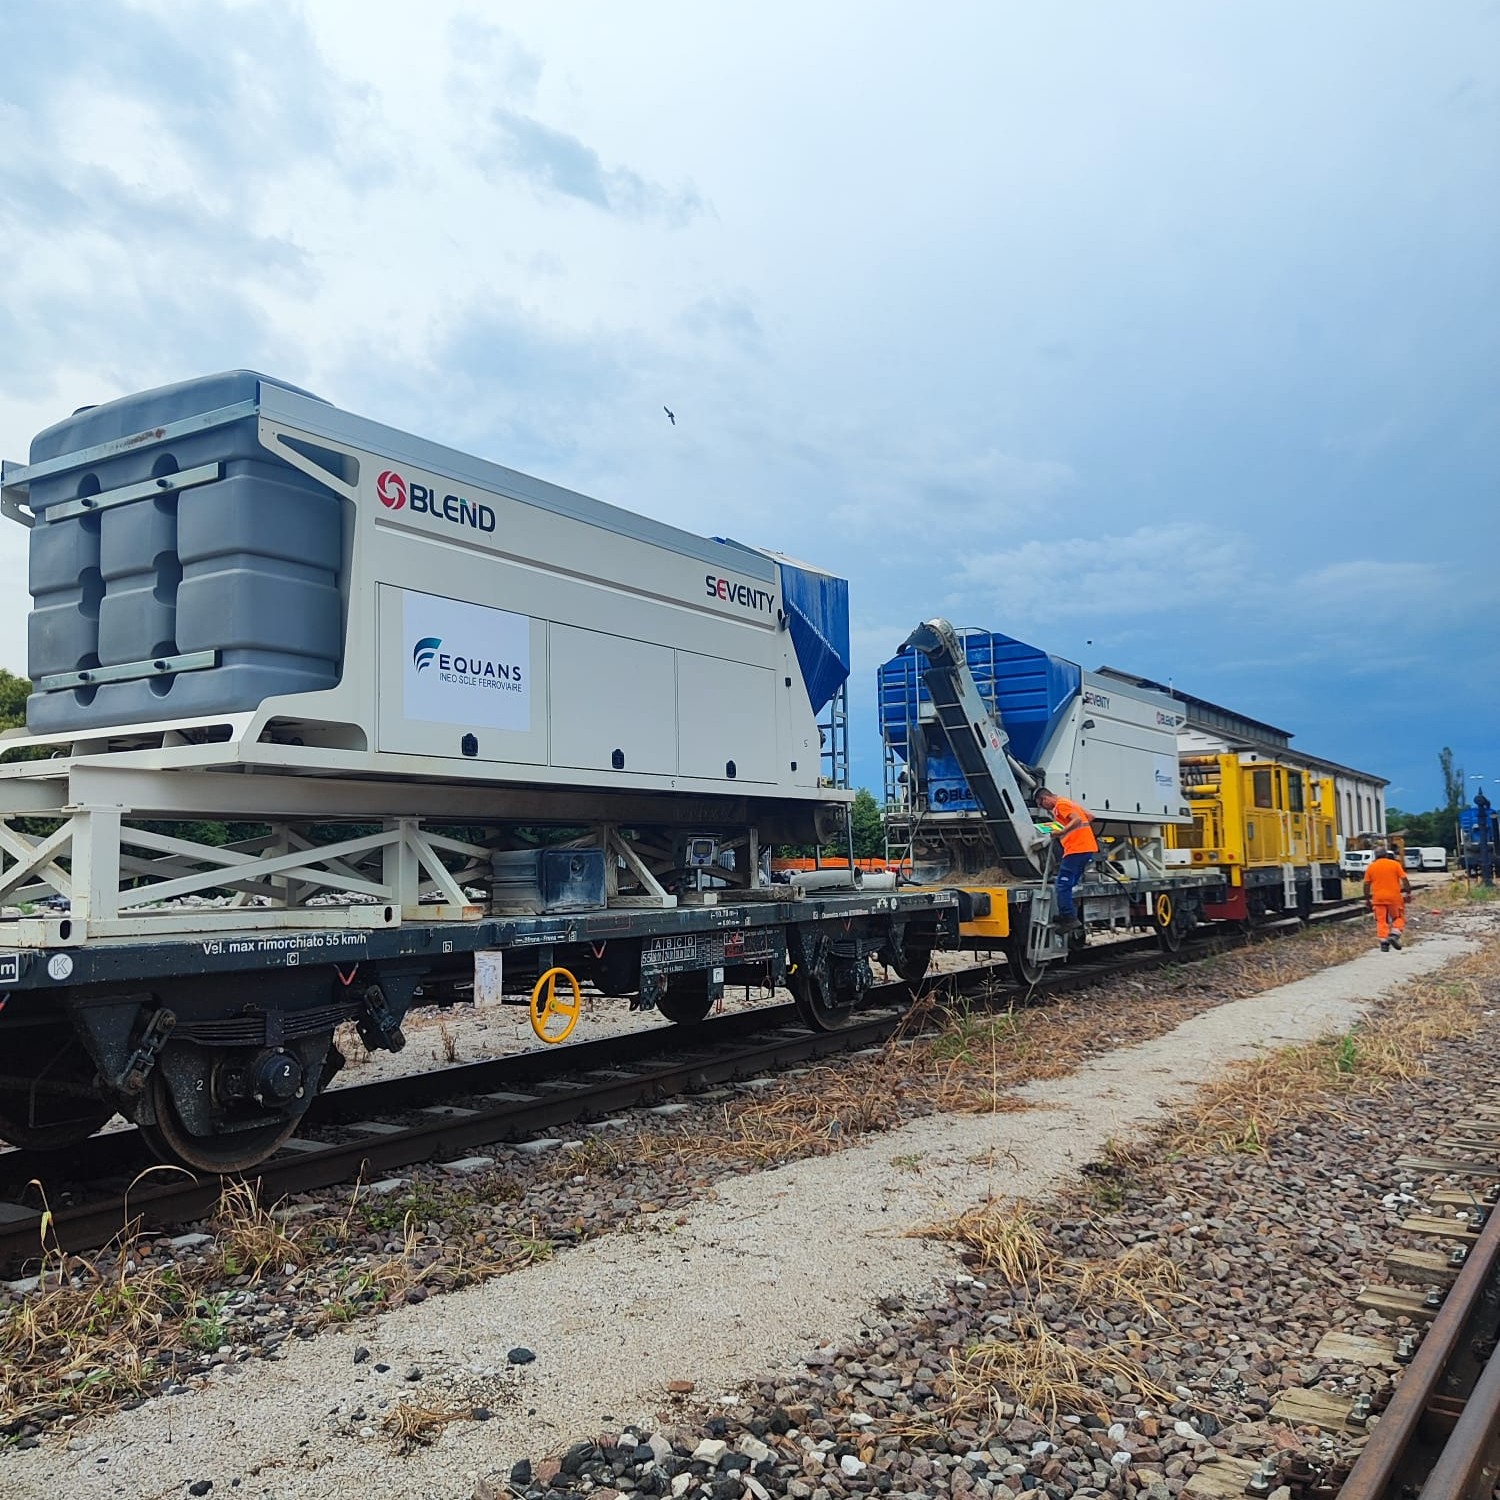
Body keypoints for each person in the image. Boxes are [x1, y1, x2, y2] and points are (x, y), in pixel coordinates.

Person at [1036, 787, 1099, 929]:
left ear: (1046, 799)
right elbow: (1090, 817)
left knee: (1062, 885)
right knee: (1070, 884)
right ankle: (1070, 914)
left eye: (1041, 804)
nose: (1043, 808)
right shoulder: (1070, 803)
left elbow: (1076, 820)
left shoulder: (1060, 805)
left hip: (1075, 849)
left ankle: (1069, 918)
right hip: (1087, 848)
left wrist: (1062, 832)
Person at [1363, 846, 1412, 952]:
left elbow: (1366, 884)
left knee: (1381, 920)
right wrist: (1408, 892)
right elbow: (1404, 879)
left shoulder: (1371, 867)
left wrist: (1367, 899)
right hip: (1394, 898)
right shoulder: (1395, 864)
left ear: (1375, 856)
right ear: (1386, 855)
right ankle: (1394, 934)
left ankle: (1384, 942)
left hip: (1378, 898)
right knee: (1398, 917)